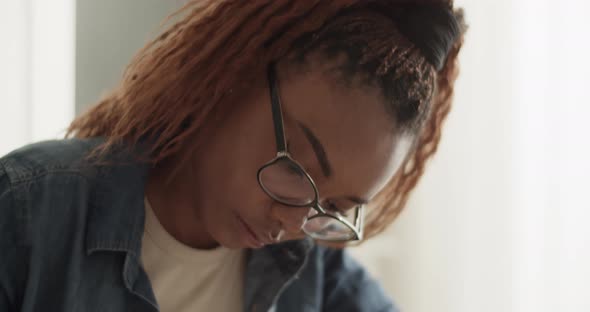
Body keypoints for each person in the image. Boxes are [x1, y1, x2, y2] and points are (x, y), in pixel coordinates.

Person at [0, 1, 466, 311]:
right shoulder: (28, 219)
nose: (290, 222)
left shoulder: (322, 288)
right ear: (237, 73)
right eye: (295, 170)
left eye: (333, 208)